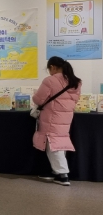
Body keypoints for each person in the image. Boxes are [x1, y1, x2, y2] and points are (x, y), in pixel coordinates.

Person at [33, 56, 81, 186]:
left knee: (53, 144)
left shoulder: (50, 80)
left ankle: (62, 175)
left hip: (51, 116)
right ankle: (55, 172)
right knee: (60, 142)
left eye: (49, 69)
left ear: (53, 67)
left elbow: (38, 99)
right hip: (66, 117)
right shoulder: (75, 81)